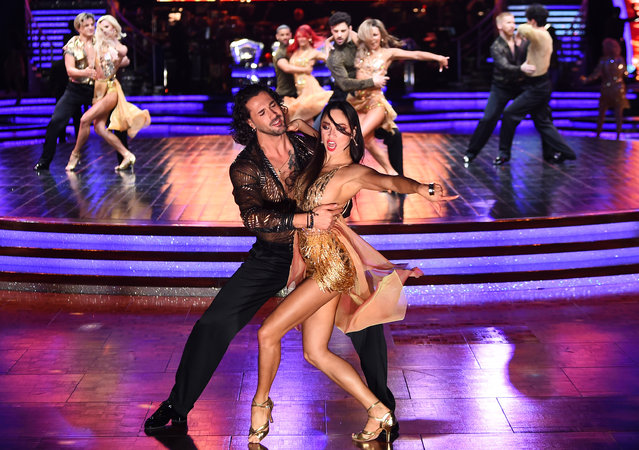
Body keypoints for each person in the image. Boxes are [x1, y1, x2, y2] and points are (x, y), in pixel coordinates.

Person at [143, 84, 381, 436]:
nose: (274, 115)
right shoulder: (245, 166)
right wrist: (303, 219)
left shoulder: (306, 144)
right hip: (274, 254)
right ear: (250, 123)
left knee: (367, 321)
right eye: (263, 112)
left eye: (274, 106)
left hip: (323, 249)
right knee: (214, 323)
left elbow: (346, 156)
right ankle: (178, 406)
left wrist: (315, 131)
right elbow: (254, 218)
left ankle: (382, 404)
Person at [248, 101, 457, 444]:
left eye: (342, 129)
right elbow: (317, 135)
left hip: (330, 269)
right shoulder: (320, 157)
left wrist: (420, 188)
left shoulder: (352, 172)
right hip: (313, 264)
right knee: (315, 352)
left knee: (267, 333)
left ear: (354, 134)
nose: (332, 134)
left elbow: (387, 181)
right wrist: (303, 125)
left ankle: (260, 406)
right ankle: (377, 410)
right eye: (328, 126)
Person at [349, 18, 448, 175]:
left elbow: (415, 55)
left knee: (358, 136)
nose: (372, 39)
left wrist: (438, 58)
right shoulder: (360, 50)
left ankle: (344, 175)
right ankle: (391, 173)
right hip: (358, 103)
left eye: (375, 34)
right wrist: (328, 41)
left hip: (375, 103)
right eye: (369, 35)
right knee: (367, 141)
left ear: (381, 35)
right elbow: (344, 29)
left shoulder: (388, 53)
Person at [65, 15, 149, 172]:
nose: (102, 30)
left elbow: (117, 63)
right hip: (98, 91)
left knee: (84, 120)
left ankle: (75, 155)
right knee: (99, 128)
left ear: (114, 29)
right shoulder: (100, 45)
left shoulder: (116, 48)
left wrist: (116, 59)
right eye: (100, 27)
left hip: (110, 90)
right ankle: (126, 154)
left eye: (107, 27)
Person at [495, 4, 577, 165]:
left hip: (538, 87)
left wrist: (521, 29)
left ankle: (504, 152)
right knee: (543, 122)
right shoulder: (543, 35)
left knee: (510, 113)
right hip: (538, 85)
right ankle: (565, 152)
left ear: (532, 20)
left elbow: (526, 30)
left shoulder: (541, 35)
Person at [324, 11, 404, 177]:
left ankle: (395, 177)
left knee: (394, 135)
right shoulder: (334, 56)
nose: (339, 34)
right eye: (335, 31)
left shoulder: (358, 42)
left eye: (342, 31)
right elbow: (345, 84)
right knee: (322, 133)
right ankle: (334, 172)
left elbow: (367, 37)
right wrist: (372, 81)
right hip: (345, 101)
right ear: (331, 30)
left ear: (350, 29)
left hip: (369, 104)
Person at [463, 12, 532, 164]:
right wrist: (521, 68)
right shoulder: (496, 46)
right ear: (499, 26)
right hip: (501, 87)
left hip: (519, 85)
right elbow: (504, 66)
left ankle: (504, 154)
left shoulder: (519, 41)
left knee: (538, 114)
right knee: (488, 118)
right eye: (508, 23)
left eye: (513, 22)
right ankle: (471, 152)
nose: (512, 25)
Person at [282, 24, 333, 122]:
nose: (301, 39)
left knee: (303, 117)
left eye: (304, 36)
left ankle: (314, 136)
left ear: (309, 37)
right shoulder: (295, 51)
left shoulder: (314, 52)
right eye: (299, 37)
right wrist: (303, 69)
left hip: (310, 88)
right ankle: (312, 137)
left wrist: (327, 45)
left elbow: (329, 59)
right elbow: (287, 68)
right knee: (304, 120)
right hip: (299, 89)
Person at [581, 38, 629, 139]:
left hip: (608, 87)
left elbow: (596, 74)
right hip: (617, 88)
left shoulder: (605, 60)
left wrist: (586, 80)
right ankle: (617, 134)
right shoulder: (619, 59)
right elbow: (625, 73)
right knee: (617, 113)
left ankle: (600, 133)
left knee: (603, 111)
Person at [272, 24, 311, 98]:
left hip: (296, 92)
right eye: (282, 35)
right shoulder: (279, 53)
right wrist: (305, 69)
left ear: (290, 35)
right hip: (285, 93)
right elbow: (286, 68)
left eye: (287, 34)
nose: (285, 37)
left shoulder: (293, 50)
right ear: (277, 36)